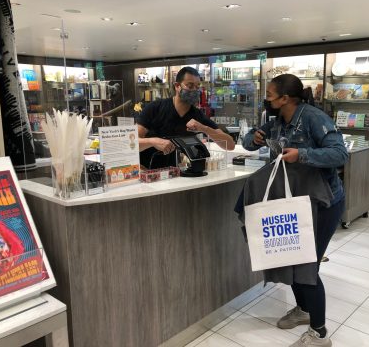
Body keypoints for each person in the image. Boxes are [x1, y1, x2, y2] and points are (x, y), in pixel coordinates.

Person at [243, 74, 348, 347]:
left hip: (322, 203)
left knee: (306, 266)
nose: (266, 99)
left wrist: (302, 155)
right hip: (295, 204)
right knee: (289, 256)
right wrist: (253, 138)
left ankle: (319, 333)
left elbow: (339, 154)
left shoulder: (313, 118)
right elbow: (246, 143)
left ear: (285, 99)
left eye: (270, 95)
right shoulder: (277, 122)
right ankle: (303, 309)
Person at [137, 67, 235, 169]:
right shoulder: (155, 108)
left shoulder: (197, 115)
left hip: (177, 175)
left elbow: (230, 145)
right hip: (149, 173)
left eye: (197, 87)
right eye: (190, 85)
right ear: (177, 86)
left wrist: (204, 129)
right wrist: (153, 142)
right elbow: (132, 143)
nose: (195, 90)